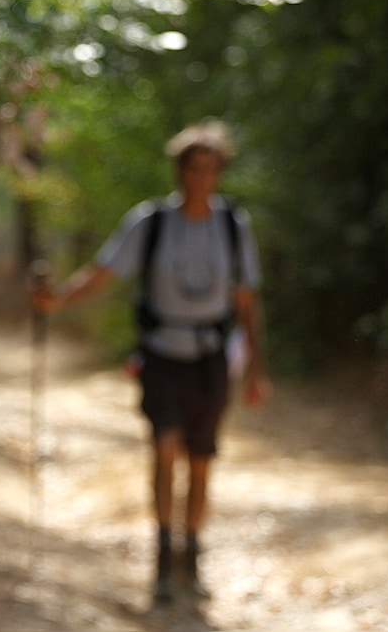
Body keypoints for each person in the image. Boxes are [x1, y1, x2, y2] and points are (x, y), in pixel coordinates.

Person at [31, 119, 271, 603]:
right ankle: (163, 557)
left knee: (201, 461)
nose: (199, 178)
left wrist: (257, 369)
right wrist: (57, 301)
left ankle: (192, 553)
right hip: (161, 355)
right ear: (179, 171)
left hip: (211, 360)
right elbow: (103, 274)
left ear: (219, 173)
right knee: (164, 447)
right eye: (191, 168)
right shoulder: (151, 221)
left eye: (209, 169)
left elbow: (246, 300)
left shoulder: (232, 226)